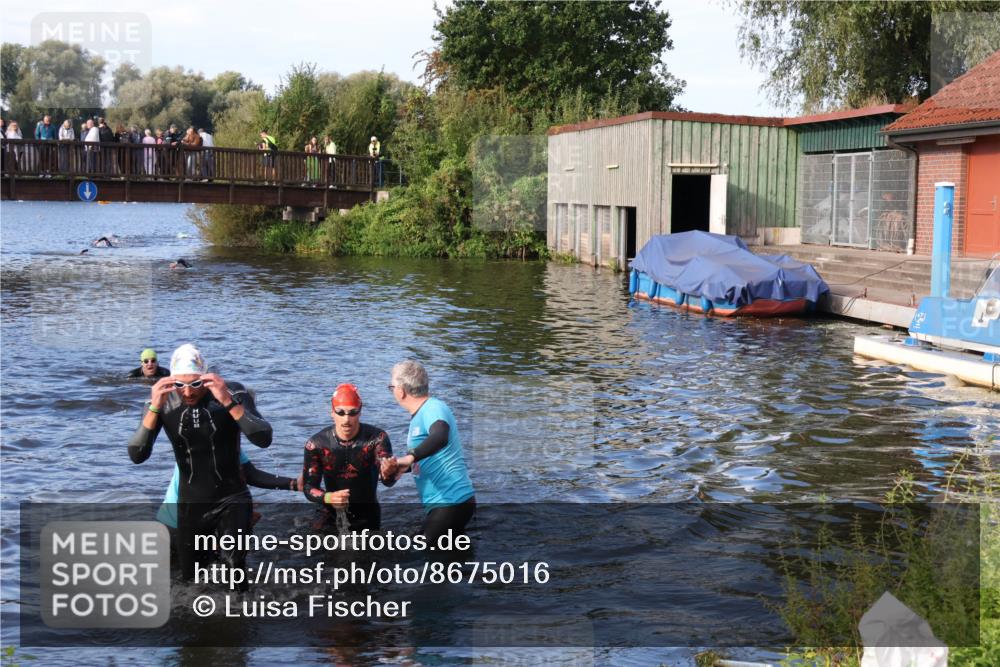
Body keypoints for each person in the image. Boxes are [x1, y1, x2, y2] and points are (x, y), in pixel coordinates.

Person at [127, 344, 273, 589]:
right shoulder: (161, 401)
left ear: (205, 377)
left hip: (231, 498)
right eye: (180, 384)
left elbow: (263, 438)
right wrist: (153, 407)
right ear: (171, 380)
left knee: (234, 571)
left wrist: (226, 400)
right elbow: (137, 455)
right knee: (191, 582)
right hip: (190, 504)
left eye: (195, 384)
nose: (187, 392)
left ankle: (243, 619)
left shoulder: (232, 393)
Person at [382, 360, 475, 543]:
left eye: (391, 386)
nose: (392, 391)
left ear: (401, 391)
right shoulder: (421, 414)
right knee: (449, 559)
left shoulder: (433, 407)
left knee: (428, 556)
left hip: (451, 501)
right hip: (448, 504)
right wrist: (398, 469)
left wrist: (410, 457)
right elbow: (429, 455)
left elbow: (440, 435)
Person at [302, 383, 396, 532]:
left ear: (360, 412)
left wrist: (389, 472)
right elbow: (309, 488)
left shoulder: (376, 439)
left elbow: (388, 482)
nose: (346, 419)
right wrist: (329, 498)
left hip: (367, 516)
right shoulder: (316, 444)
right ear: (332, 413)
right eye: (340, 412)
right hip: (331, 514)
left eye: (352, 413)